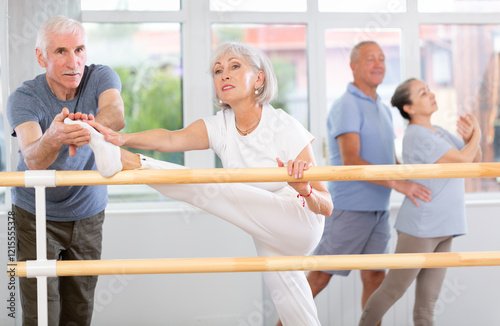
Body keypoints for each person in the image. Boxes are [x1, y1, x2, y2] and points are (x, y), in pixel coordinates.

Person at [68, 41, 333, 326]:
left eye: (234, 66)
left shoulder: (284, 126)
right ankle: (124, 155)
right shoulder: (220, 125)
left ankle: (133, 162)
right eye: (218, 71)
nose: (224, 75)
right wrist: (120, 138)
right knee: (295, 308)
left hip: (299, 220)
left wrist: (304, 189)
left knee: (215, 187)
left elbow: (326, 205)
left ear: (259, 78)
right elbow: (172, 138)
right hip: (264, 226)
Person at [303, 41, 433, 324]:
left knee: (375, 277)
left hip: (378, 210)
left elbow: (389, 159)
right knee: (319, 279)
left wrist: (412, 178)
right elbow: (352, 159)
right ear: (354, 66)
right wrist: (400, 186)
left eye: (382, 58)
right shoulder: (347, 105)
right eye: (370, 59)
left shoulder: (382, 109)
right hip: (349, 209)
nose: (378, 64)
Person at [6, 16, 125, 325]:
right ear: (41, 57)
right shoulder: (24, 97)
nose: (74, 62)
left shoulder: (100, 77)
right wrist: (56, 136)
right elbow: (33, 158)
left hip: (87, 211)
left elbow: (115, 115)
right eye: (61, 52)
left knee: (79, 310)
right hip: (34, 215)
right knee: (41, 312)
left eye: (80, 49)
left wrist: (80, 126)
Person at [358, 78, 481, 326]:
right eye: (422, 93)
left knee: (427, 304)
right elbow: (461, 161)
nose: (431, 94)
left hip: (446, 226)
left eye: (428, 90)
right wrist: (477, 133)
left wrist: (470, 139)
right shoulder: (417, 135)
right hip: (422, 228)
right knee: (391, 292)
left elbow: (473, 160)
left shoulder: (439, 132)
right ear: (409, 108)